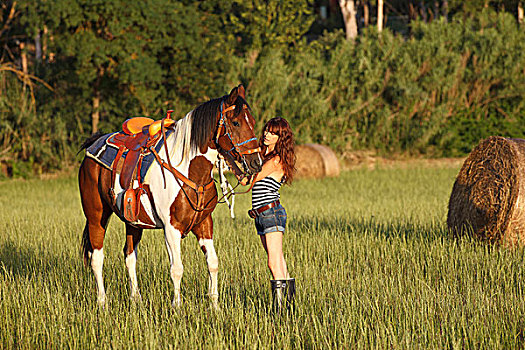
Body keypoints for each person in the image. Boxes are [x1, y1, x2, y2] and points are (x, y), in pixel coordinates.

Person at [240, 117, 296, 312]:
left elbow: (249, 180)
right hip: (262, 215)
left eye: (273, 133)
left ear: (280, 137)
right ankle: (288, 308)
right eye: (266, 131)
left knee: (274, 262)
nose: (266, 134)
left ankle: (280, 311)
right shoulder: (266, 157)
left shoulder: (275, 160)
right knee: (278, 260)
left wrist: (231, 167)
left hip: (270, 213)